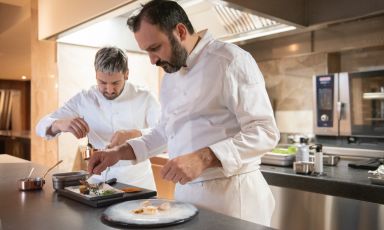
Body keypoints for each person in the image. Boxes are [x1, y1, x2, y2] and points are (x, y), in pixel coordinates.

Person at [88, 0, 279, 226]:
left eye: (155, 48)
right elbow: (163, 132)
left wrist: (204, 157)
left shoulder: (230, 61)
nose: (152, 60)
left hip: (232, 198)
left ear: (179, 31)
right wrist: (119, 152)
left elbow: (265, 131)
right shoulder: (170, 76)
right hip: (186, 199)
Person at [36, 46, 160, 190]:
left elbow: (165, 133)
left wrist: (134, 134)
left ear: (126, 74)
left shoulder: (145, 97)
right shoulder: (84, 99)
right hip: (100, 180)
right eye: (102, 82)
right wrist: (59, 124)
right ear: (96, 75)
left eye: (115, 83)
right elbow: (40, 127)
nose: (109, 89)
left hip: (138, 181)